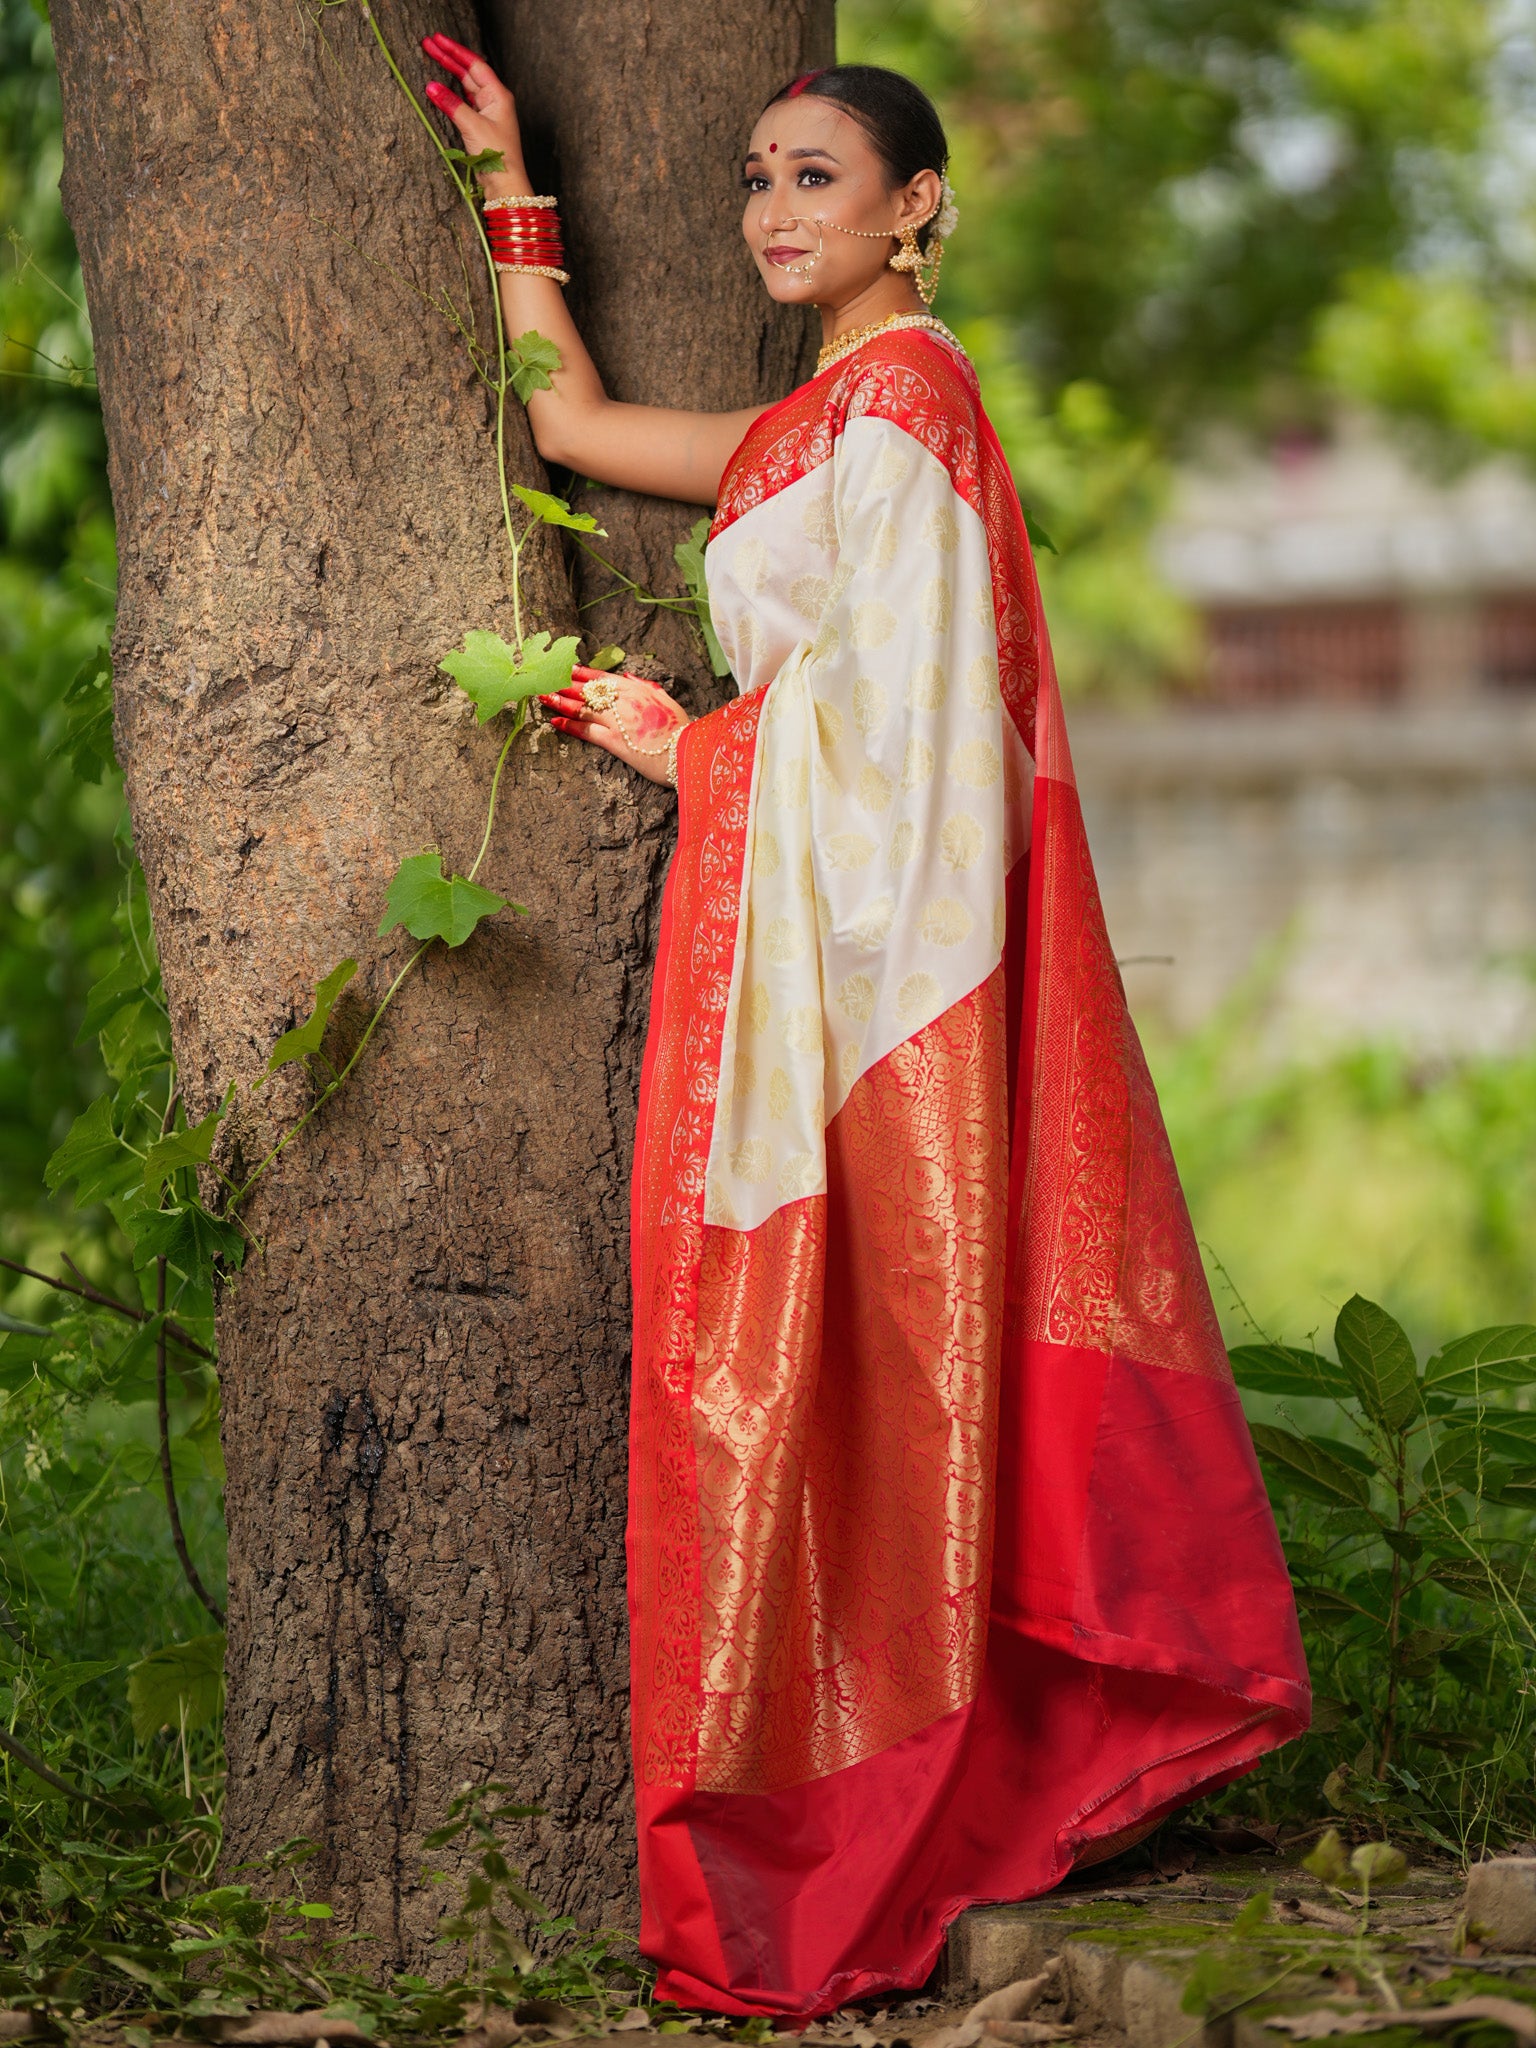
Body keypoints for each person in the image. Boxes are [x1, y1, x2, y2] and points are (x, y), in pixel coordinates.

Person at [419, 36, 1310, 2022]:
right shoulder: (797, 427)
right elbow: (560, 417)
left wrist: (693, 748)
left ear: (914, 205)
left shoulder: (912, 406)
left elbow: (918, 755)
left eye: (814, 176)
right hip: (810, 969)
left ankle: (895, 1795)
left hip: (882, 981)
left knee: (882, 1350)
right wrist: (509, 178)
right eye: (756, 177)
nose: (770, 211)